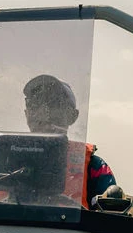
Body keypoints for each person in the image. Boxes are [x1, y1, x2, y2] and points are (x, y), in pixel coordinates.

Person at [21, 74, 117, 207]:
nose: (43, 111)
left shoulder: (94, 168)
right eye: (35, 104)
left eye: (54, 104)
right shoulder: (3, 164)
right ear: (26, 113)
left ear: (72, 116)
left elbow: (111, 215)